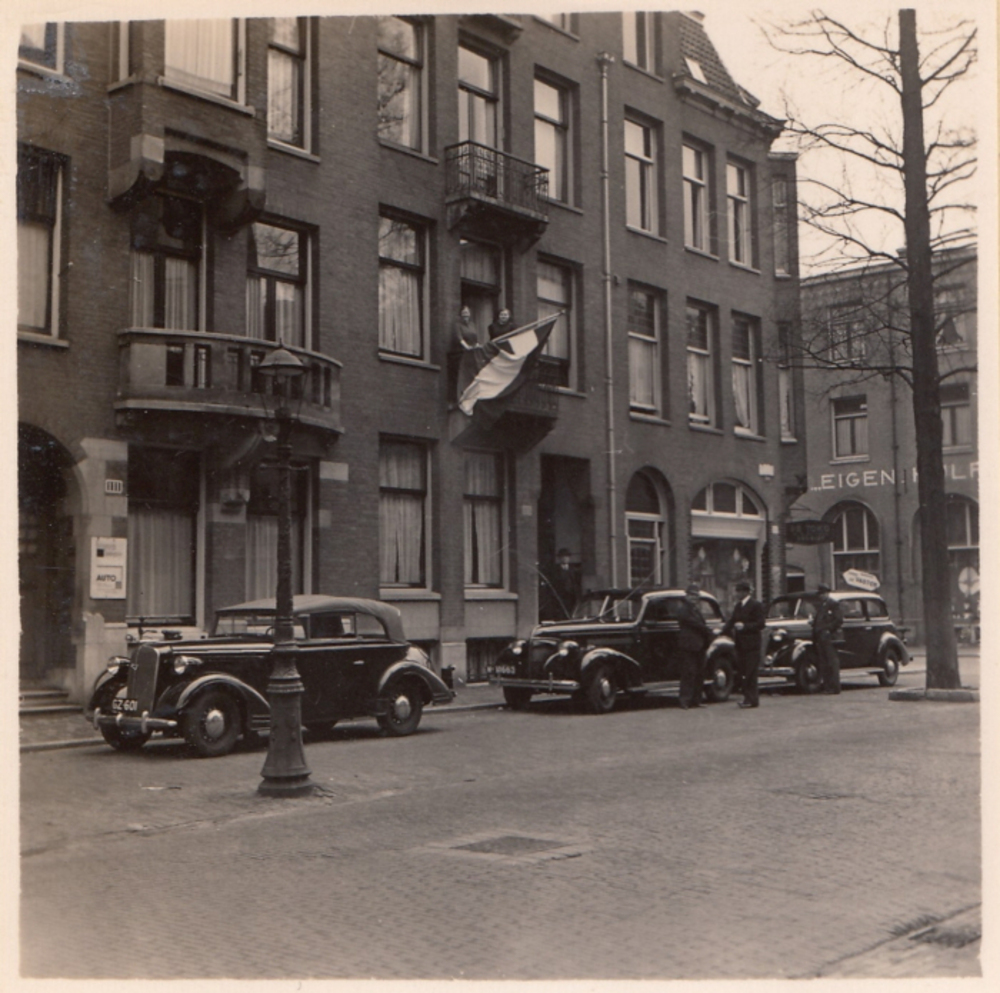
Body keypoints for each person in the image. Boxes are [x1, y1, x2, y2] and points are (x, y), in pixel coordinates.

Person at [723, 579, 766, 708]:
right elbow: (732, 621)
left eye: (739, 591)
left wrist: (745, 626)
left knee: (750, 673)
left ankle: (752, 699)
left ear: (746, 592)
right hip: (740, 644)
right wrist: (722, 630)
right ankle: (748, 698)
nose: (737, 594)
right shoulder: (738, 606)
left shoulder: (756, 605)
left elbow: (761, 623)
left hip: (752, 645)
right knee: (743, 671)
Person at [676, 583, 713, 709]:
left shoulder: (695, 609)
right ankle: (685, 700)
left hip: (699, 645)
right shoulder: (683, 609)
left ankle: (696, 699)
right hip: (688, 645)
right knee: (688, 673)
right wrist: (707, 630)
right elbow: (694, 623)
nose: (694, 598)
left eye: (696, 595)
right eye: (691, 595)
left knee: (699, 673)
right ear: (686, 595)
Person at [811, 582, 844, 694]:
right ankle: (827, 686)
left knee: (831, 661)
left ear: (827, 593)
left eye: (823, 593)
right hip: (820, 636)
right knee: (823, 662)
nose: (821, 596)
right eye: (820, 594)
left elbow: (838, 619)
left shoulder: (833, 604)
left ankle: (834, 687)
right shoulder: (822, 605)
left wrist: (828, 629)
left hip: (828, 637)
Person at [539, 549, 582, 620]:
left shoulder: (573, 570)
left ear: (569, 558)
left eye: (567, 557)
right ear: (559, 558)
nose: (565, 559)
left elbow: (576, 583)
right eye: (563, 557)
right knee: (561, 614)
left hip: (572, 597)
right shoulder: (555, 570)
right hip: (560, 597)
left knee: (572, 613)